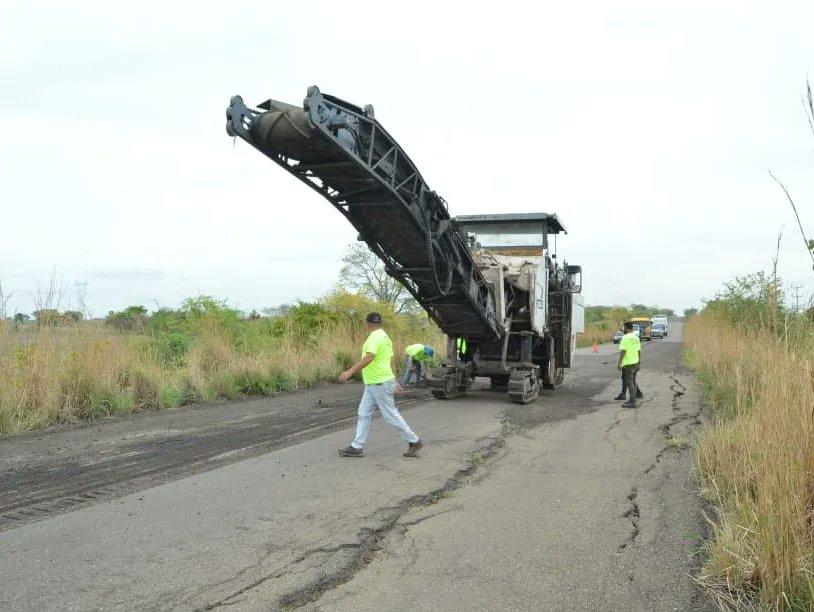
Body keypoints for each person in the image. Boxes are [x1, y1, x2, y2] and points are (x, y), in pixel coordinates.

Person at [337, 312, 423, 458]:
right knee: (363, 413)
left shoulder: (374, 337)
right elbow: (386, 362)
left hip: (379, 383)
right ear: (380, 323)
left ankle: (414, 441)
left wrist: (349, 372)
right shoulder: (384, 337)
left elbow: (369, 357)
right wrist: (393, 380)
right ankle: (357, 446)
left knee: (390, 415)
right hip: (375, 383)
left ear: (367, 324)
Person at [617, 321, 642, 408]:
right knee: (633, 381)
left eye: (624, 327)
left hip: (628, 363)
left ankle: (632, 401)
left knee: (629, 382)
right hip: (635, 362)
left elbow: (623, 351)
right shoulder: (636, 337)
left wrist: (619, 362)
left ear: (627, 328)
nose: (623, 329)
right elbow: (639, 350)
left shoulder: (625, 338)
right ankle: (633, 399)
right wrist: (639, 361)